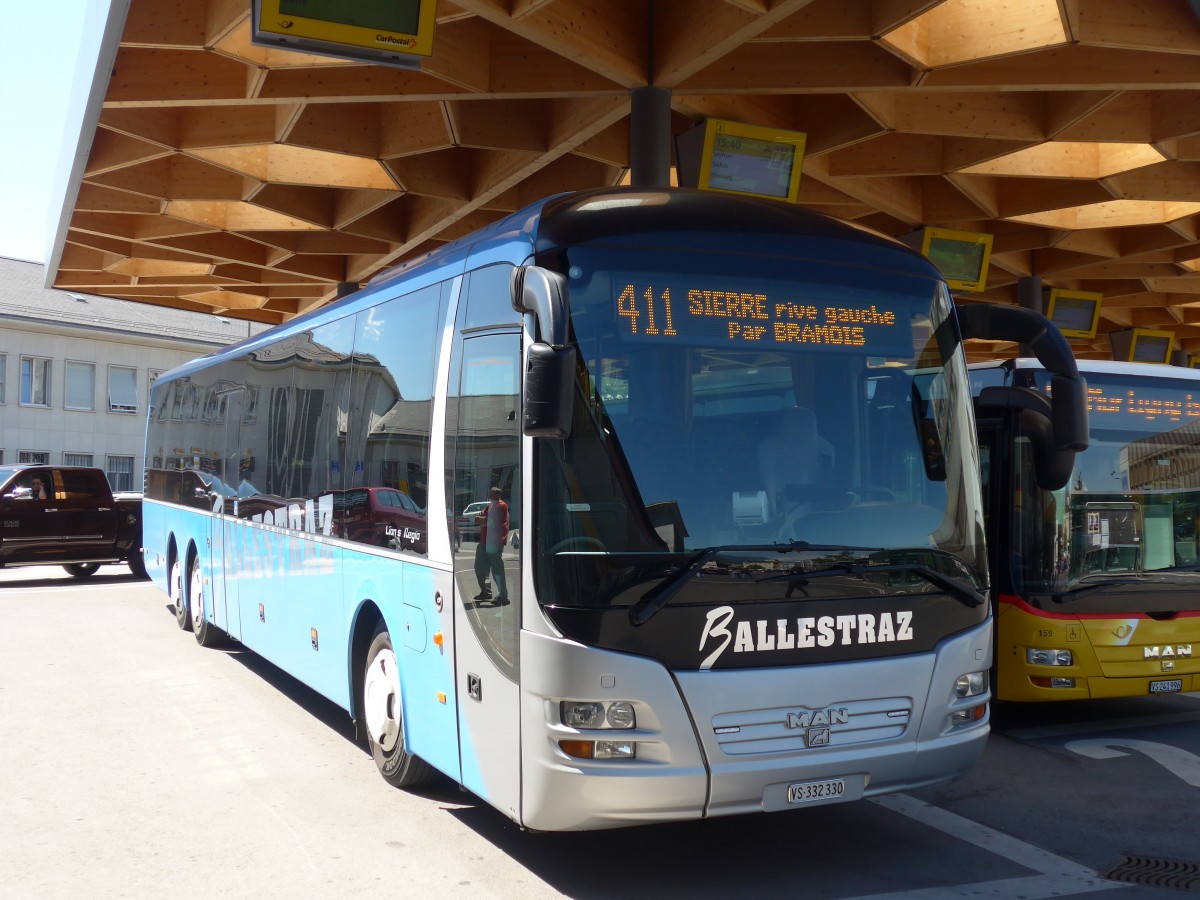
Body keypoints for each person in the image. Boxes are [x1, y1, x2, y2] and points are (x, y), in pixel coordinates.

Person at [474, 486, 509, 602]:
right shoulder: (491, 505)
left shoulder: (501, 506)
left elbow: (489, 521)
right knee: (480, 569)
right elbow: (480, 519)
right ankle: (486, 592)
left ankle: (503, 596)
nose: (490, 496)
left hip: (494, 543)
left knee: (496, 570)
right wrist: (482, 519)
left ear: (497, 496)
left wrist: (482, 519)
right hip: (484, 542)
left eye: (492, 494)